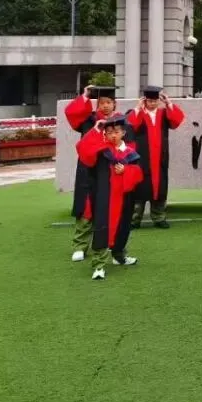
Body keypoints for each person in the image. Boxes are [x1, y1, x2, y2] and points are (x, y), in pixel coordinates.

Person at [75, 113, 145, 280]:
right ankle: (99, 265)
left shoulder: (130, 153)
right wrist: (95, 129)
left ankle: (119, 256)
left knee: (123, 227)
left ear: (123, 133)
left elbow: (138, 174)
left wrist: (126, 170)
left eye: (117, 132)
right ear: (105, 134)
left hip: (124, 198)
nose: (113, 135)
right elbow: (82, 149)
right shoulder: (101, 151)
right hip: (104, 198)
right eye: (109, 132)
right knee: (102, 229)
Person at [64, 85, 123, 262]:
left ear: (114, 104)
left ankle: (111, 245)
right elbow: (71, 113)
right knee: (87, 207)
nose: (105, 106)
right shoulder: (89, 120)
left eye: (108, 102)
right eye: (102, 103)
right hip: (89, 170)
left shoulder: (120, 121)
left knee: (108, 207)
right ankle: (80, 245)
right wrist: (85, 95)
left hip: (110, 171)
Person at [127, 86, 186, 229]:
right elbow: (130, 126)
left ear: (158, 101)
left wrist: (169, 103)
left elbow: (177, 121)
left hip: (160, 158)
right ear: (144, 101)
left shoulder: (164, 114)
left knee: (159, 188)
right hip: (141, 157)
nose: (152, 103)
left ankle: (159, 217)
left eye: (155, 101)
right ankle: (134, 219)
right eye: (149, 101)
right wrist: (138, 108)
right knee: (139, 188)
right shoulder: (137, 113)